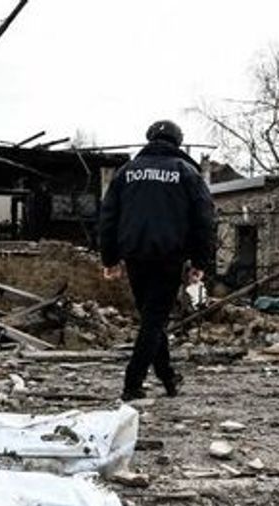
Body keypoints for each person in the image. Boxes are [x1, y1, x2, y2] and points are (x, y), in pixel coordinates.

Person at [97, 119, 216, 402]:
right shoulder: (186, 172)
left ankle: (168, 376)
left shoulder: (126, 172)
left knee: (152, 318)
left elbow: (108, 217)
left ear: (149, 139)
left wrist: (110, 258)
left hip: (135, 256)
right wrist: (201, 261)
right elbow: (204, 220)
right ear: (177, 141)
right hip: (169, 257)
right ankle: (132, 383)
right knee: (153, 320)